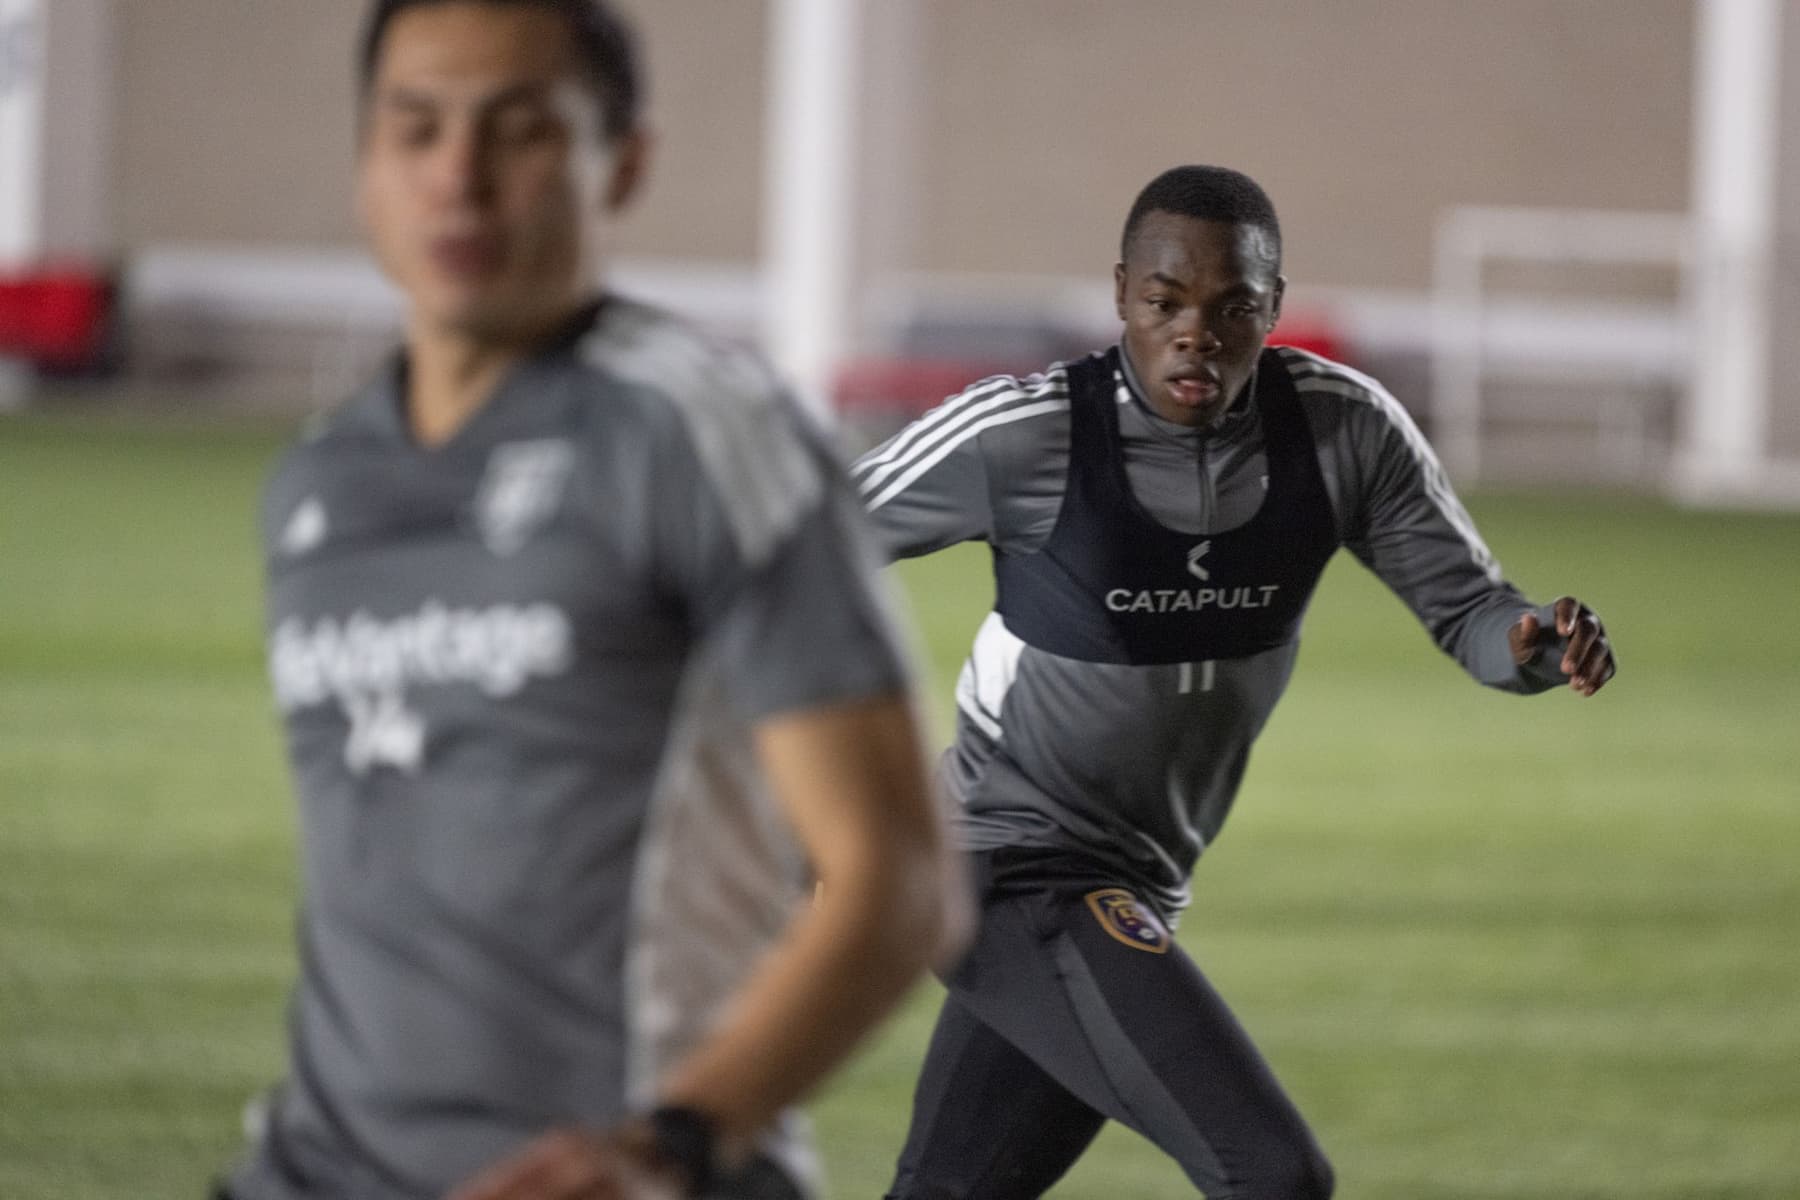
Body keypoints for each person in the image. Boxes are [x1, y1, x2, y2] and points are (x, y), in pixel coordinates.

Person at [215, 2, 968, 1198]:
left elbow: (900, 879)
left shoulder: (702, 436)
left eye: (517, 131)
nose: (456, 178)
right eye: (415, 129)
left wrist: (668, 1143)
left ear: (621, 163)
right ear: (368, 159)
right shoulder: (319, 485)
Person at [854, 164, 1617, 1200]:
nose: (1196, 334)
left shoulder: (1346, 431)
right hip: (1004, 869)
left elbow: (1473, 613)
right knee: (1273, 1175)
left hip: (1138, 875)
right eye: (1165, 304)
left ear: (1275, 309)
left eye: (1233, 309)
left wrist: (1532, 645)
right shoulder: (1023, 434)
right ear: (1122, 292)